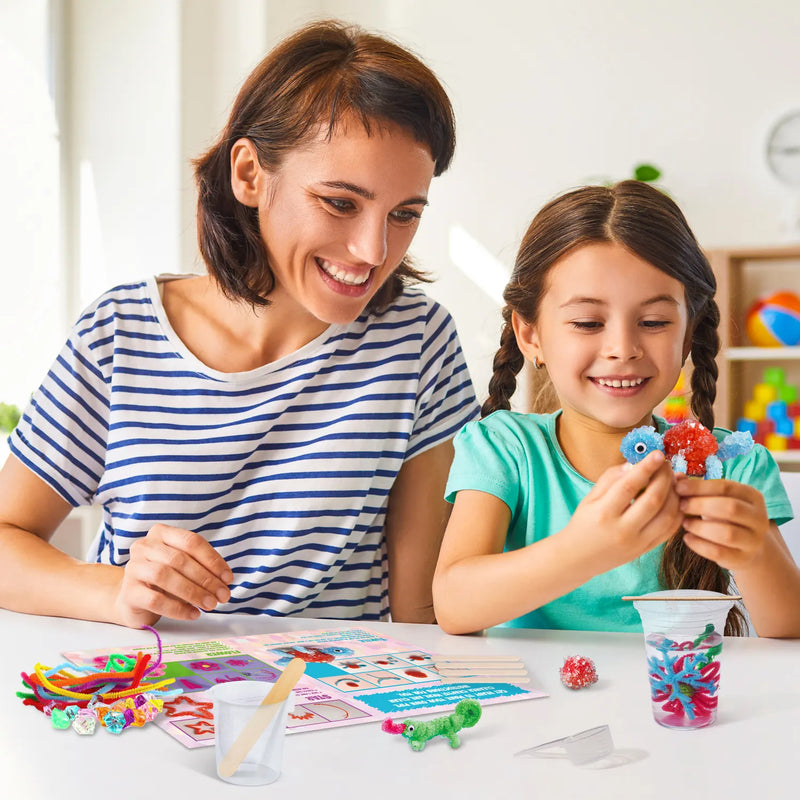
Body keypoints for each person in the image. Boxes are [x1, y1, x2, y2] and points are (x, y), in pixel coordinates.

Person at [0, 20, 478, 629]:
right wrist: (114, 592)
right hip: (144, 700)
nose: (371, 250)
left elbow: (422, 614)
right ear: (249, 174)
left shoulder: (417, 343)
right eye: (340, 202)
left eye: (404, 214)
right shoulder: (119, 334)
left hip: (336, 709)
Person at [433, 180, 800, 638]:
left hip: (675, 704)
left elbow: (789, 630)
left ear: (687, 337)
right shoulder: (504, 448)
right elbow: (453, 604)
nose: (622, 348)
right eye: (588, 322)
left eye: (653, 322)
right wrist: (586, 548)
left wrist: (754, 555)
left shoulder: (732, 466)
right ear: (531, 335)